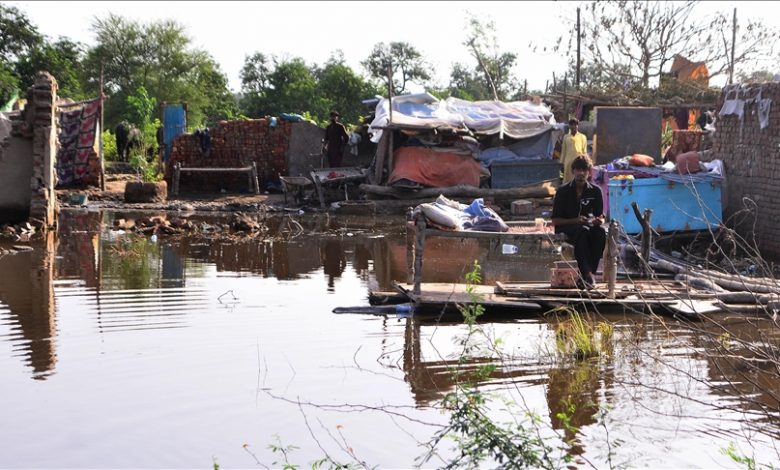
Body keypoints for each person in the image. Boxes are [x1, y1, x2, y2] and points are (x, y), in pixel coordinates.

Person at [551, 154, 606, 290]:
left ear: (589, 172)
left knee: (600, 233)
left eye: (584, 170)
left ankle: (589, 275)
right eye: (578, 170)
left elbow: (600, 216)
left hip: (588, 227)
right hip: (566, 228)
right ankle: (589, 275)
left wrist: (599, 220)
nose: (581, 173)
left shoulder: (596, 191)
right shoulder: (563, 191)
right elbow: (555, 221)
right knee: (581, 232)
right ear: (573, 171)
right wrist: (575, 220)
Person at [559, 118, 588, 184]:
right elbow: (563, 151)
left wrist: (586, 162)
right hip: (568, 162)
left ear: (577, 126)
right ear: (569, 126)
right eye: (571, 124)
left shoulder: (583, 137)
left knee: (578, 179)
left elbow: (584, 151)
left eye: (575, 124)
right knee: (567, 180)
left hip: (578, 162)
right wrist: (562, 164)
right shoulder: (566, 137)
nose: (573, 126)